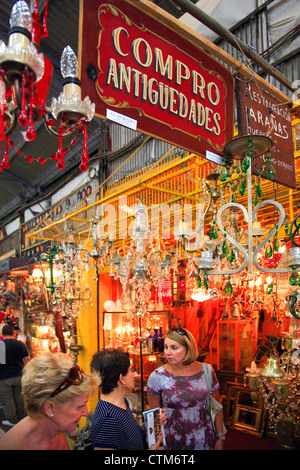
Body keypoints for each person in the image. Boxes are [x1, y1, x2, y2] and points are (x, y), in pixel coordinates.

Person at [0, 351, 100, 450]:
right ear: (49, 408)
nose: (86, 413)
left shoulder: (55, 429)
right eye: (80, 406)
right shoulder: (12, 445)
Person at [147, 327, 225, 450]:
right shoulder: (157, 376)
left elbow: (218, 407)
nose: (167, 352)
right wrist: (158, 444)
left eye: (174, 348)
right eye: (166, 347)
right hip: (173, 441)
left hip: (203, 440)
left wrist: (220, 439)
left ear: (188, 348)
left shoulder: (207, 371)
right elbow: (153, 417)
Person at [90, 348, 164, 450]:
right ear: (122, 378)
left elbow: (129, 435)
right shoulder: (108, 419)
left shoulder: (121, 403)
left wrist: (152, 423)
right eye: (131, 370)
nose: (134, 373)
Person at [0, 323, 30, 427]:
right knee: (19, 397)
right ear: (14, 333)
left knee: (7, 399)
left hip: (4, 376)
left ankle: (12, 420)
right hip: (18, 375)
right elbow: (27, 359)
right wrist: (26, 371)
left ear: (2, 333)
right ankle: (21, 416)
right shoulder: (20, 344)